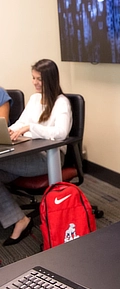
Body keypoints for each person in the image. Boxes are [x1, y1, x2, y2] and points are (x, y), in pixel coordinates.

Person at [0, 59, 72, 246]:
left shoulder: (61, 102)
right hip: (29, 152)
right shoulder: (34, 99)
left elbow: (61, 133)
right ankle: (19, 219)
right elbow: (20, 123)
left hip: (48, 157)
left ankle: (19, 220)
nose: (35, 82)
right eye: (33, 78)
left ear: (50, 79)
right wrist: (11, 130)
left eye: (39, 79)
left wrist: (31, 128)